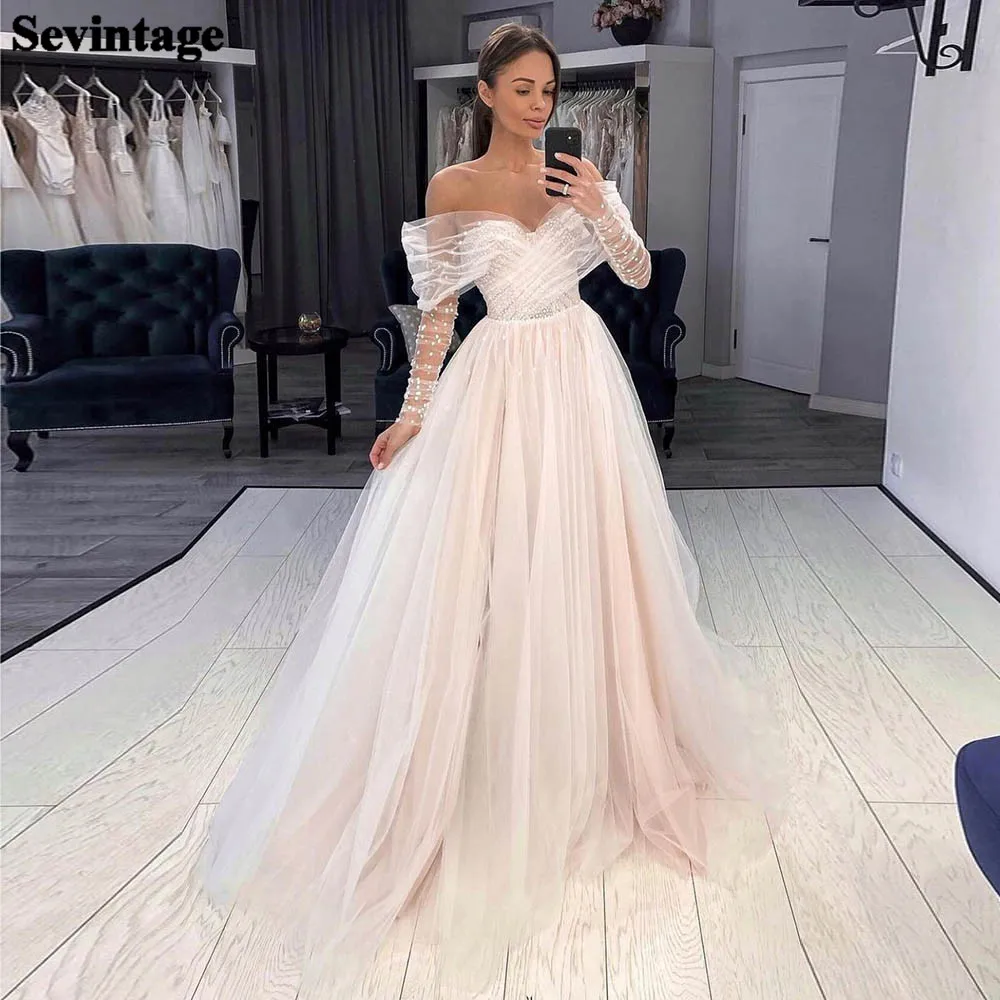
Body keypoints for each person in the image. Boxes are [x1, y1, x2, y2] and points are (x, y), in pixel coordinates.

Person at [196, 24, 787, 996]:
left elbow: (639, 276)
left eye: (548, 89)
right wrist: (412, 414)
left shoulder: (580, 176)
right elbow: (438, 313)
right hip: (500, 376)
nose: (540, 104)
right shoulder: (452, 188)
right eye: (522, 89)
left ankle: (595, 736)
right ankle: (485, 744)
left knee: (589, 556)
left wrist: (602, 207)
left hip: (580, 374)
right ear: (485, 92)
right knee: (489, 561)